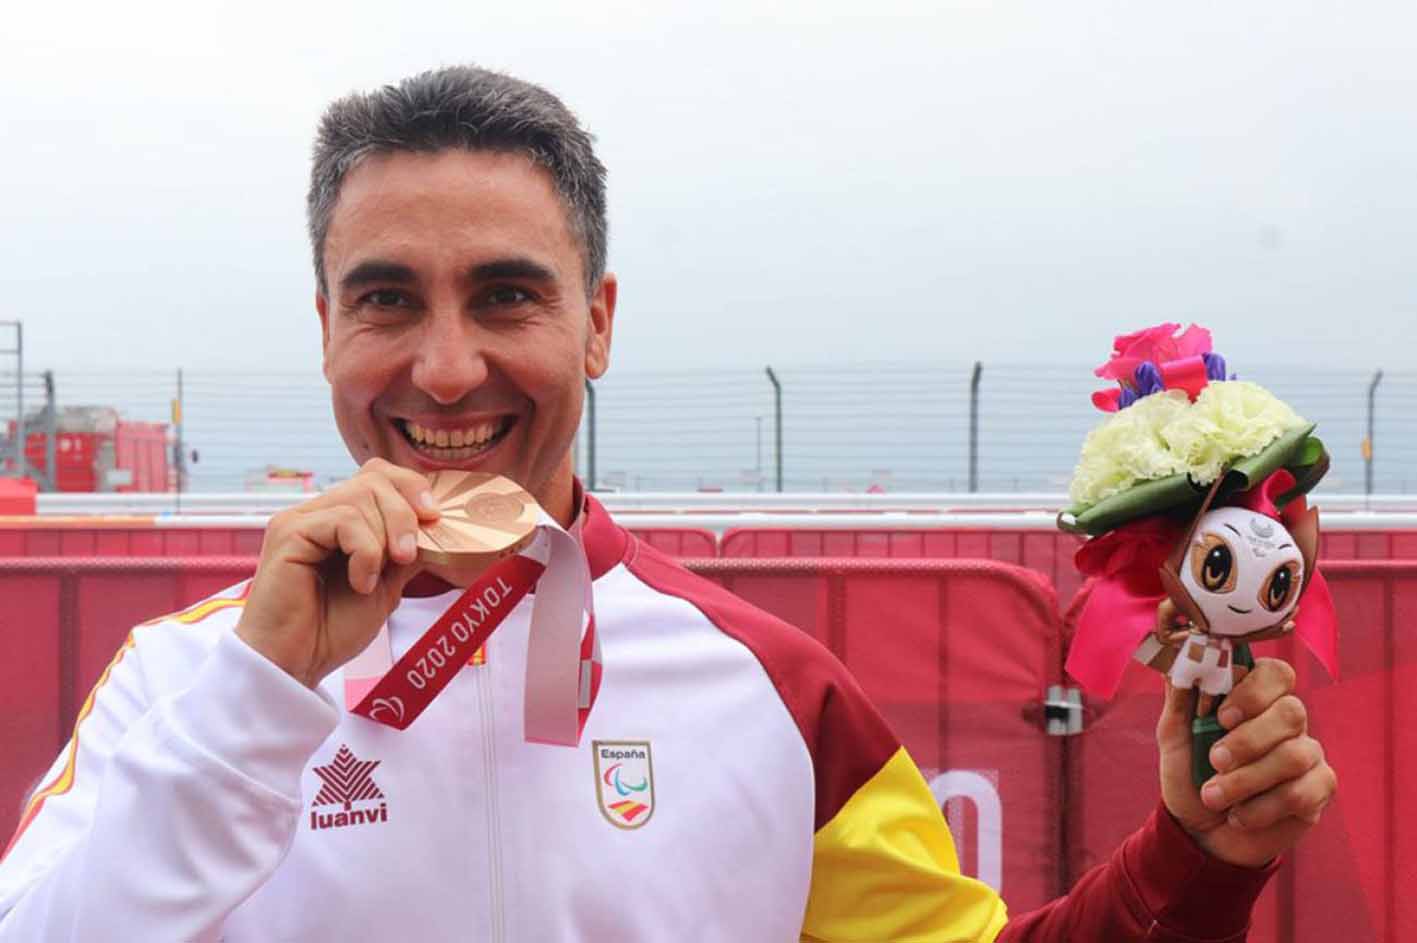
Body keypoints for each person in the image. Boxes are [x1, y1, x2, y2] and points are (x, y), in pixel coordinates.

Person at [0, 66, 1335, 941]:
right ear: (326, 327)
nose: (447, 364)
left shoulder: (776, 691)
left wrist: (1192, 858)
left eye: (509, 295)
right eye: (387, 298)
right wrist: (260, 699)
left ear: (598, 324)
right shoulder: (181, 684)